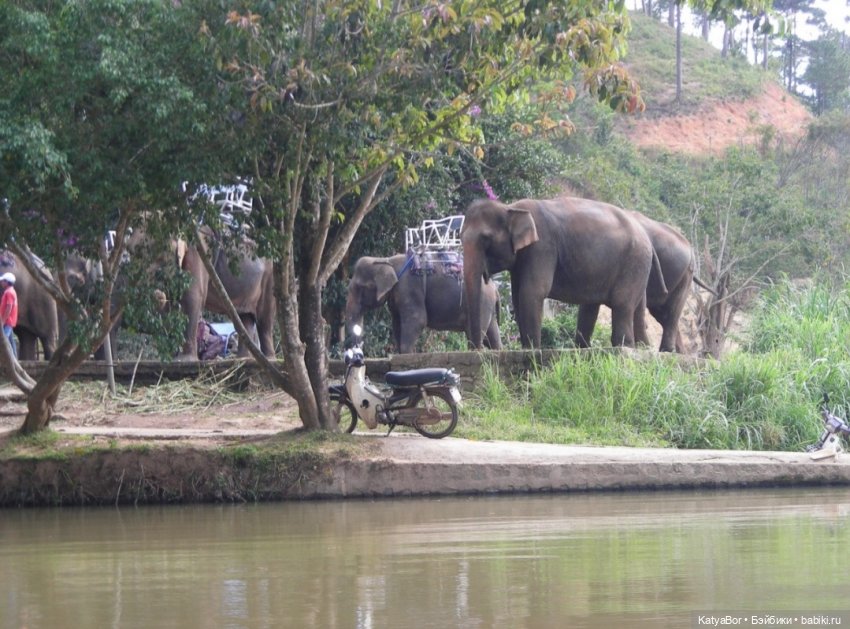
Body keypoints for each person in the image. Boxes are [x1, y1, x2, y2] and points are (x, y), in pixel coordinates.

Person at [0, 271, 18, 358]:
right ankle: (14, 358)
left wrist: (3, 320)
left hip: (8, 321)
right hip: (9, 321)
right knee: (11, 341)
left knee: (4, 340)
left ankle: (9, 360)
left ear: (7, 282)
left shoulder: (9, 293)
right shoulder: (10, 291)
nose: (1, 282)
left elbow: (9, 307)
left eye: (3, 281)